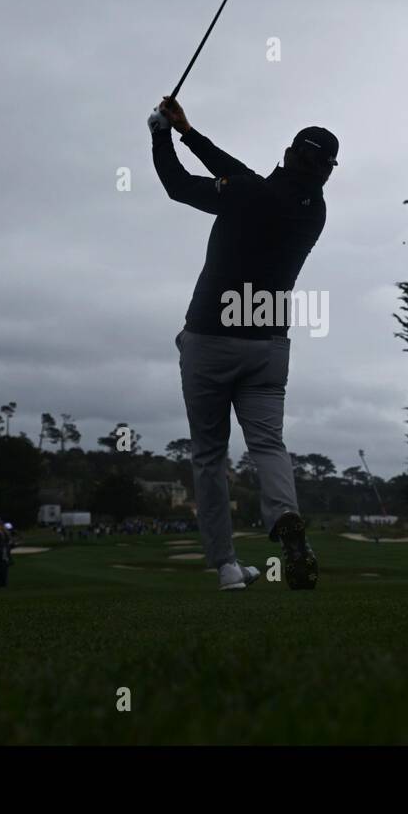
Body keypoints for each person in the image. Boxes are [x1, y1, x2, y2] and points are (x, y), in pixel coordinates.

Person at [150, 97, 332, 591]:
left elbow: (177, 186)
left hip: (210, 338)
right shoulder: (313, 210)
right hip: (269, 347)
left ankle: (228, 567)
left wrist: (159, 134)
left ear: (289, 153)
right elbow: (245, 177)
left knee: (210, 455)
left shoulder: (251, 194)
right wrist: (189, 132)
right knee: (268, 444)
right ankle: (285, 519)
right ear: (326, 172)